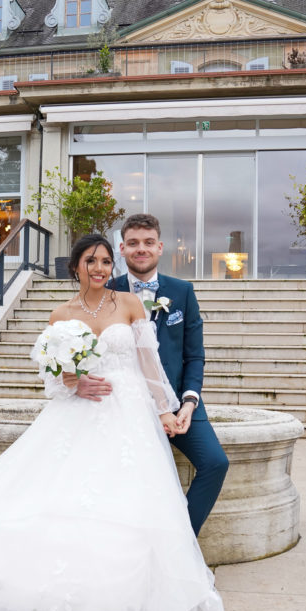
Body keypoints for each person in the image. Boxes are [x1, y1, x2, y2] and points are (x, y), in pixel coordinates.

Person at [0, 234, 224, 611]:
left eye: (106, 262)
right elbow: (54, 376)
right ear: (76, 265)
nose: (99, 269)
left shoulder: (129, 304)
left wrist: (166, 410)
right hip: (78, 412)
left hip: (127, 411)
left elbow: (149, 365)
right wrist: (75, 385)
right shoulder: (60, 314)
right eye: (91, 261)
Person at [76, 214, 228, 537]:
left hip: (176, 402)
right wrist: (77, 380)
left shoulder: (183, 292)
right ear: (122, 249)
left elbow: (194, 356)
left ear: (160, 248)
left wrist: (187, 404)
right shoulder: (105, 288)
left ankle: (180, 542)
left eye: (148, 243)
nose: (140, 249)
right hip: (122, 403)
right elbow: (82, 343)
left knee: (216, 463)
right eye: (133, 243)